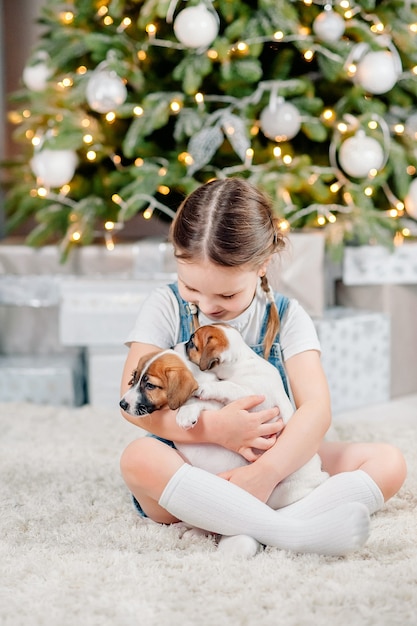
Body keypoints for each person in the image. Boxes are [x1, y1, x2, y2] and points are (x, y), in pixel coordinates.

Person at [119, 177, 407, 557]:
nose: (206, 305)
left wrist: (264, 474)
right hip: (198, 466)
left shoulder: (287, 316)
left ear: (262, 265)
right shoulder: (166, 306)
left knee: (388, 463)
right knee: (138, 460)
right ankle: (289, 531)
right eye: (191, 288)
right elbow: (132, 405)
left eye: (226, 294)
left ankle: (240, 525)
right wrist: (217, 430)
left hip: (275, 464)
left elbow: (316, 412)